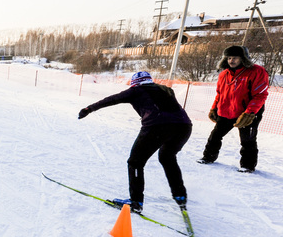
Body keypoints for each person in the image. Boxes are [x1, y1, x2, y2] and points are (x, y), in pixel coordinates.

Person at [78, 71, 192, 213]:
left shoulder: (136, 90)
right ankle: (180, 195)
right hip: (184, 127)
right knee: (167, 157)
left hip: (157, 126)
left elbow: (112, 99)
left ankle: (136, 202)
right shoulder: (166, 89)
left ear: (134, 83)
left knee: (135, 162)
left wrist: (88, 109)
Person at [197, 45, 269, 173]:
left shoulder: (256, 71)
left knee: (247, 140)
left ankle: (247, 166)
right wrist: (214, 108)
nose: (231, 61)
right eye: (229, 58)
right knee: (215, 136)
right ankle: (208, 157)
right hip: (227, 111)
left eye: (235, 58)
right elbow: (219, 93)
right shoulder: (224, 74)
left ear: (244, 58)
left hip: (248, 113)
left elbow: (260, 95)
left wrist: (249, 113)